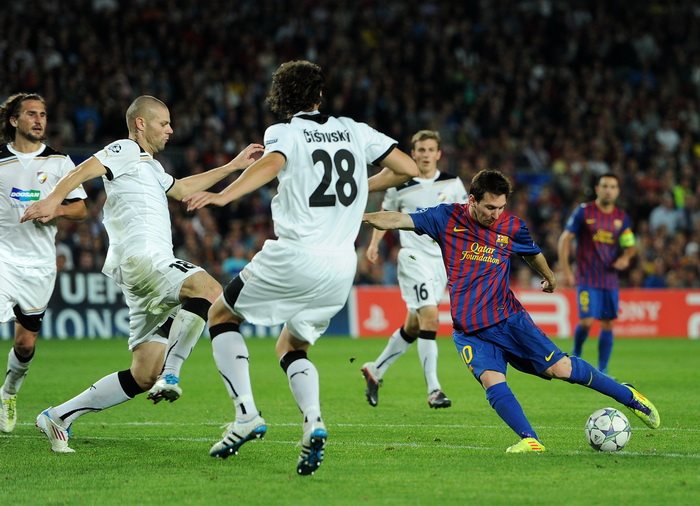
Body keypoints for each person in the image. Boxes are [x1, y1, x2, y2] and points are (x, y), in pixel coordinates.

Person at [183, 60, 419, 475]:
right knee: (292, 347)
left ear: (280, 98)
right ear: (320, 95)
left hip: (295, 254)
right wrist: (362, 185)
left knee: (221, 314)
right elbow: (409, 169)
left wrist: (223, 196)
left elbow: (272, 164)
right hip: (341, 265)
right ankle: (313, 421)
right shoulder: (355, 130)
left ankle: (245, 414)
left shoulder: (285, 132)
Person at [21, 95, 263, 452]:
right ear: (140, 123)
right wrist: (54, 200)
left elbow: (182, 188)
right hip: (144, 260)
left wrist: (233, 166)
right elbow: (84, 169)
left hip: (141, 275)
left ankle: (58, 416)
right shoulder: (125, 149)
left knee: (143, 373)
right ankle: (173, 372)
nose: (170, 129)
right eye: (164, 123)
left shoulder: (150, 166)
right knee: (211, 291)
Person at [362, 169, 660, 452]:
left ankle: (630, 397)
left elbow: (533, 253)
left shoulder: (512, 226)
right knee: (492, 381)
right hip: (469, 330)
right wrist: (359, 217)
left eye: (501, 208)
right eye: (490, 207)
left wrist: (550, 276)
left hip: (508, 320)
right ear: (472, 200)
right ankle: (530, 440)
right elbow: (397, 218)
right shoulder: (446, 217)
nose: (496, 214)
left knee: (561, 369)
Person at [0, 93, 88, 433]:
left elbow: (80, 208)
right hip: (3, 257)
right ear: (14, 120)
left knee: (25, 344)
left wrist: (57, 209)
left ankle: (9, 392)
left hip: (38, 265)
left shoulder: (60, 163)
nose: (39, 120)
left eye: (43, 114)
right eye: (31, 114)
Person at [362, 130, 467, 409]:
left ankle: (375, 370)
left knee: (413, 325)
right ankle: (434, 390)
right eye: (421, 150)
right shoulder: (399, 185)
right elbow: (386, 216)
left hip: (441, 262)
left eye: (430, 149)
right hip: (412, 257)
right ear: (413, 153)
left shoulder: (453, 184)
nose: (425, 155)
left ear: (438, 153)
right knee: (430, 318)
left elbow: (466, 220)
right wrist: (374, 244)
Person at [557, 173, 636, 375]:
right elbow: (565, 239)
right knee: (587, 321)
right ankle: (576, 353)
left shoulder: (621, 217)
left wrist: (626, 258)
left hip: (609, 279)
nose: (608, 190)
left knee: (608, 323)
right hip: (587, 278)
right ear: (597, 189)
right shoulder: (584, 212)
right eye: (605, 186)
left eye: (613, 187)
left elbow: (630, 246)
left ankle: (603, 369)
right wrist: (566, 271)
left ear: (617, 191)